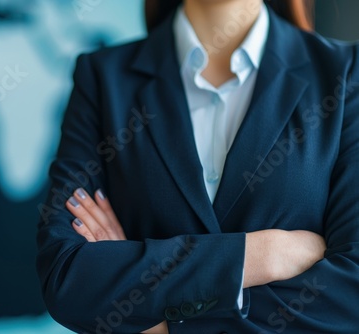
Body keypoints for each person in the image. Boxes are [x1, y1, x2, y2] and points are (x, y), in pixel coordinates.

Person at [36, 0, 359, 332]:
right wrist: (262, 254)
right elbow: (68, 278)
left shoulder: (346, 74)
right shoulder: (103, 78)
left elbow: (352, 292)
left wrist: (167, 323)